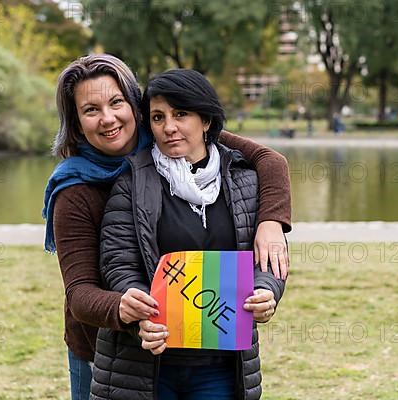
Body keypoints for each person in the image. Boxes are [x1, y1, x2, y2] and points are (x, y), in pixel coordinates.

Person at [42, 55, 292, 400]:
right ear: (76, 123)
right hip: (103, 348)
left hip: (212, 356)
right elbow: (82, 292)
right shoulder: (76, 192)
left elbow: (271, 160)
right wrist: (124, 310)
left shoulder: (170, 137)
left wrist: (272, 220)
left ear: (135, 108)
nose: (108, 118)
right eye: (90, 110)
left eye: (117, 102)